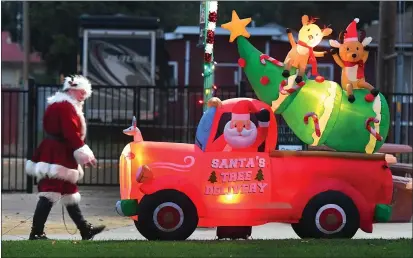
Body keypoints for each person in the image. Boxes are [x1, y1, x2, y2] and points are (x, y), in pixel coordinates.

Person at [25, 75, 106, 240]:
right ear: (71, 90)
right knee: (50, 191)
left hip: (60, 151)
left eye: (85, 92)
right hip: (58, 152)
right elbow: (70, 132)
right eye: (81, 92)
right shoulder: (65, 106)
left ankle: (84, 229)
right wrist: (84, 152)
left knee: (69, 192)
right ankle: (36, 232)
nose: (83, 96)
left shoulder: (63, 105)